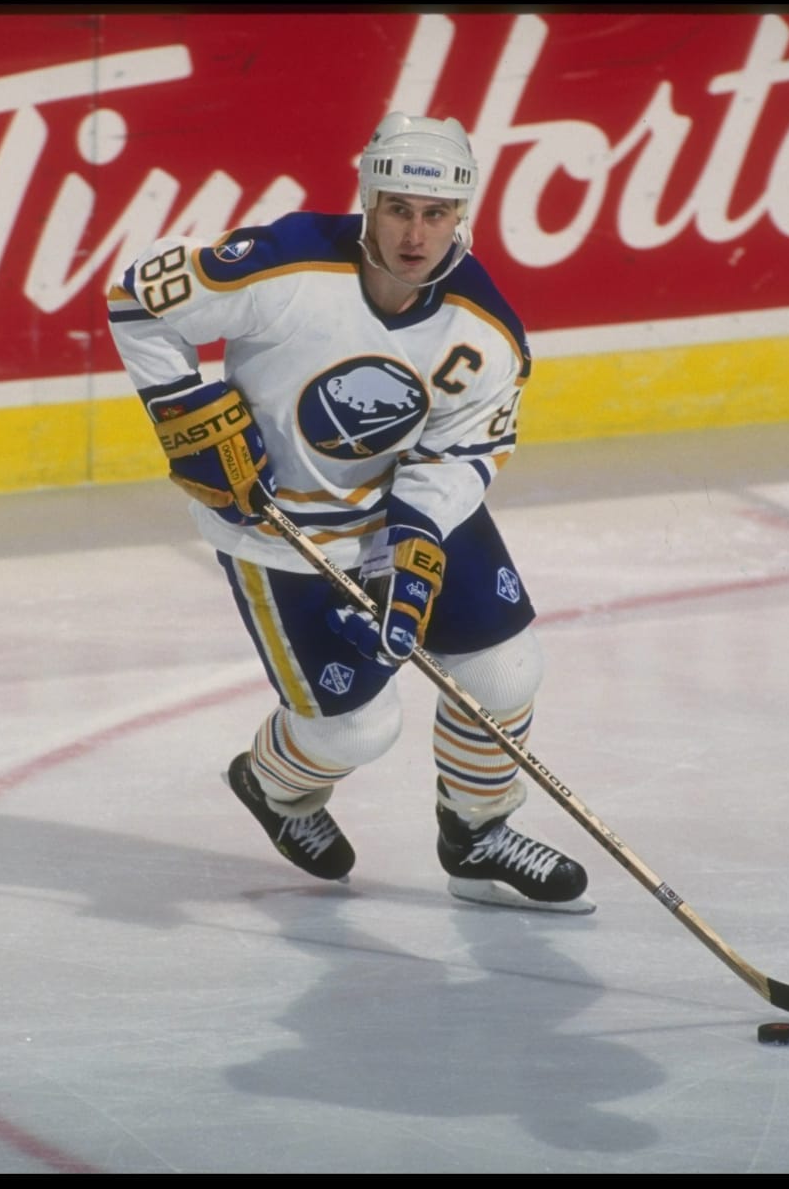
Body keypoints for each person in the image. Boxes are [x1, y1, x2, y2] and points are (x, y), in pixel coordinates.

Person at [105, 112, 590, 913]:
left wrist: (417, 544)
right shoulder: (285, 264)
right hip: (279, 529)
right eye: (399, 208)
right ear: (367, 199)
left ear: (460, 216)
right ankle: (273, 785)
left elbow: (463, 454)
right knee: (358, 732)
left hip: (406, 512)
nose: (416, 234)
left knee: (506, 668)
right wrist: (178, 407)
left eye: (437, 215)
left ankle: (475, 835)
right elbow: (137, 297)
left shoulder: (487, 330)